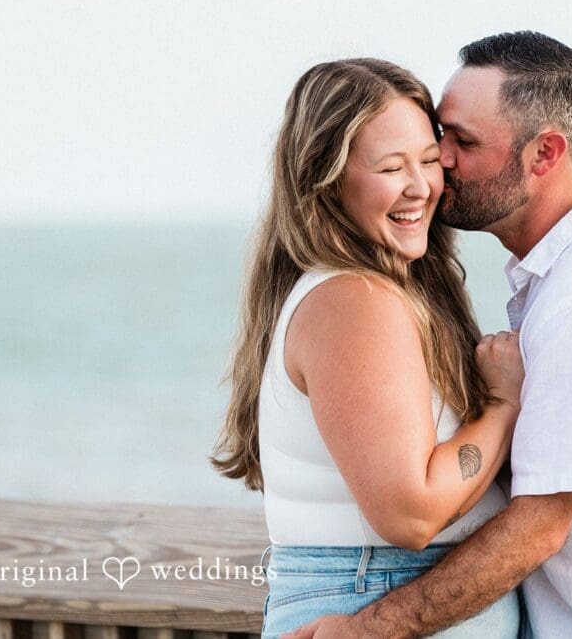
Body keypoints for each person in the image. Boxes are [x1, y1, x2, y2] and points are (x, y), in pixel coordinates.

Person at [285, 32, 572, 638]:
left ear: (543, 154)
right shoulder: (564, 280)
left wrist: (372, 629)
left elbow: (541, 525)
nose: (439, 160)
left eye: (462, 142)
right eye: (439, 135)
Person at [210, 58, 524, 637]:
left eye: (429, 161)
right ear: (326, 180)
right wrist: (503, 408)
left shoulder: (376, 290)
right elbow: (412, 512)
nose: (421, 187)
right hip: (369, 592)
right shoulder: (354, 301)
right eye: (390, 167)